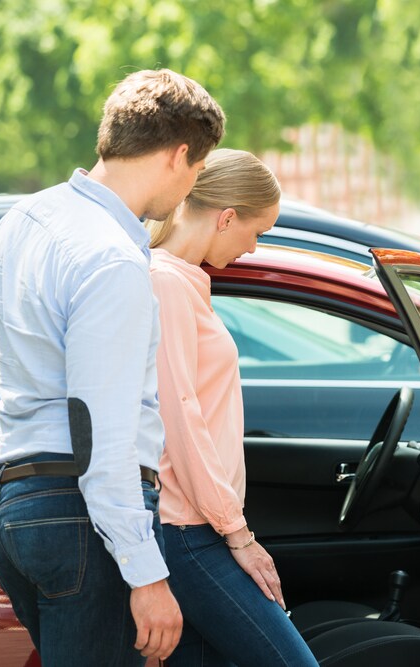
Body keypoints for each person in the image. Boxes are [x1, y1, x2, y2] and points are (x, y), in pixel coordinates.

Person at [0, 69, 225, 665]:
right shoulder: (112, 259)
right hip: (79, 515)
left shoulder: (23, 222)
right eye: (198, 170)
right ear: (178, 154)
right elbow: (101, 430)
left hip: (11, 505)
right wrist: (146, 574)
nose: (192, 185)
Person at [145, 148, 318, 666]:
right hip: (187, 531)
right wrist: (238, 535)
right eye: (257, 231)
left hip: (197, 527)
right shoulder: (165, 283)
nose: (254, 247)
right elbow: (180, 420)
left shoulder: (183, 282)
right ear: (226, 218)